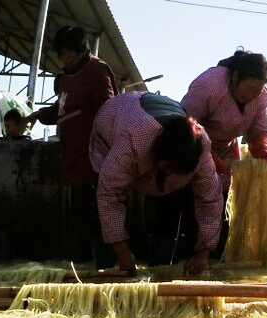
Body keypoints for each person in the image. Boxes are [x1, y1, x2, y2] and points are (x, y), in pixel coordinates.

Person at [90, 92, 222, 275]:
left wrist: (203, 252)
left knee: (172, 203)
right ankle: (105, 265)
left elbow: (211, 199)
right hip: (113, 118)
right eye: (170, 168)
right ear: (161, 155)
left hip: (157, 119)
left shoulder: (201, 146)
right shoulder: (133, 139)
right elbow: (109, 193)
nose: (173, 174)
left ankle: (161, 269)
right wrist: (121, 249)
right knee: (97, 196)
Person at [27, 25, 117, 267]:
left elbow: (108, 110)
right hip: (73, 157)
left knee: (97, 209)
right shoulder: (66, 77)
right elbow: (62, 108)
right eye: (61, 53)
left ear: (78, 50)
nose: (63, 58)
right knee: (79, 210)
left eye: (66, 52)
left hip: (94, 156)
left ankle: (102, 262)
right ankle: (85, 259)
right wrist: (39, 114)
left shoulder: (97, 70)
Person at [179, 49, 267, 258]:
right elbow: (185, 123)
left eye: (259, 89)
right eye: (250, 88)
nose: (254, 95)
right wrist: (206, 154)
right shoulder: (210, 85)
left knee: (220, 207)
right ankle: (186, 259)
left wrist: (261, 147)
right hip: (193, 147)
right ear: (236, 78)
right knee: (195, 207)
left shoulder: (261, 97)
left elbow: (259, 129)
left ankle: (213, 259)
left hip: (227, 152)